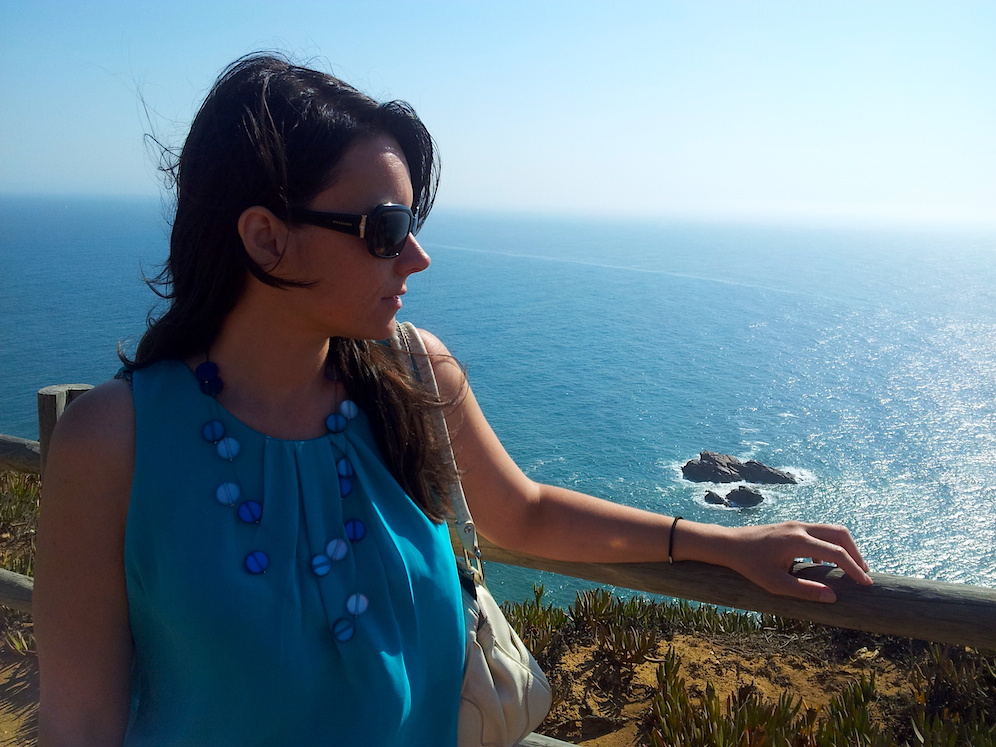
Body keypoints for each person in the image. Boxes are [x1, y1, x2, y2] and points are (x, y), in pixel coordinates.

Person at [33, 53, 872, 746]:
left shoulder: (412, 376)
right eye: (386, 230)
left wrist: (726, 543)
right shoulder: (114, 441)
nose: (417, 257)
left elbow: (525, 511)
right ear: (265, 237)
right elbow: (80, 725)